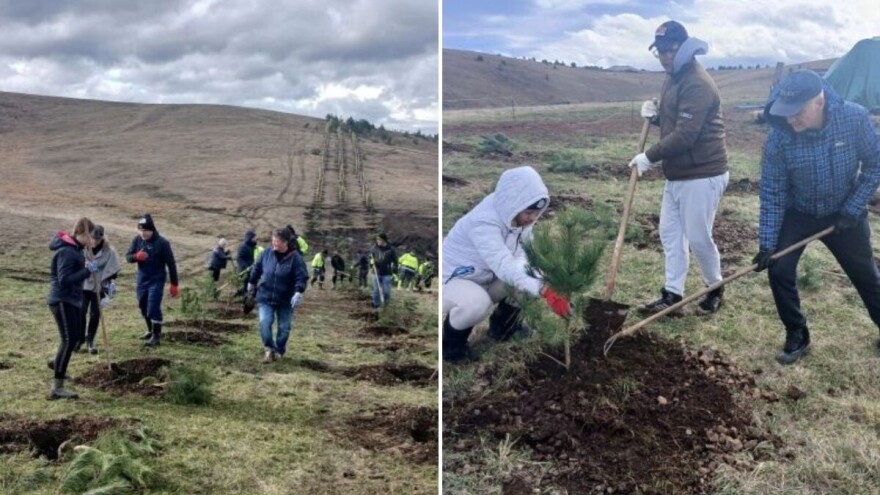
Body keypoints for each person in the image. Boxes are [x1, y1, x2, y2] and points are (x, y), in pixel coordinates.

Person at [755, 69, 880, 364]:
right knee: (779, 269)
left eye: (797, 114)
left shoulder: (854, 118)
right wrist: (767, 244)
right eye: (786, 114)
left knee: (866, 275)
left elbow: (875, 165)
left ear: (819, 102)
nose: (790, 121)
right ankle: (797, 332)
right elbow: (773, 192)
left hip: (844, 212)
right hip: (799, 212)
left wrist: (852, 209)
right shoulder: (779, 138)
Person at [629, 20, 730, 316]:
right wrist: (657, 117)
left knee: (698, 237)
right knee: (670, 233)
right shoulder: (673, 75)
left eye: (670, 51)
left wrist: (648, 157)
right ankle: (672, 295)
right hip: (679, 173)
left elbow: (687, 136)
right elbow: (677, 123)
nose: (664, 57)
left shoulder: (697, 82)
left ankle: (715, 288)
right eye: (659, 51)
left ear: (684, 48)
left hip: (703, 172)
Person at [441, 166, 572, 363]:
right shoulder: (483, 223)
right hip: (456, 281)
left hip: (489, 277)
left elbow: (525, 259)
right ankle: (452, 347)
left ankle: (503, 329)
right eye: (528, 213)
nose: (532, 218)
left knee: (527, 285)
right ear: (513, 204)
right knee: (477, 304)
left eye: (537, 213)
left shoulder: (519, 219)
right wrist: (545, 289)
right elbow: (504, 264)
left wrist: (550, 284)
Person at [46, 217, 100, 399]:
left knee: (77, 337)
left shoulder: (76, 250)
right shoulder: (67, 252)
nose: (91, 241)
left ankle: (57, 362)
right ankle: (57, 388)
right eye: (89, 236)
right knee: (68, 340)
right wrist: (87, 271)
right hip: (62, 299)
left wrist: (86, 268)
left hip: (72, 300)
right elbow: (64, 279)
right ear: (81, 234)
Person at [247, 228, 309, 363]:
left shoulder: (295, 258)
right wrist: (251, 282)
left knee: (284, 327)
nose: (274, 243)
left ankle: (280, 350)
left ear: (286, 242)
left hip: (286, 299)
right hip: (265, 296)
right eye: (273, 240)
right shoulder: (266, 253)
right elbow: (257, 268)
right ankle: (269, 349)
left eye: (278, 241)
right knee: (265, 322)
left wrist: (298, 291)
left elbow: (301, 276)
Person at [125, 214, 179, 347]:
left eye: (145, 231)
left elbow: (171, 264)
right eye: (141, 230)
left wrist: (174, 284)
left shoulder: (162, 243)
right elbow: (128, 257)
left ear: (152, 230)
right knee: (143, 307)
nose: (143, 233)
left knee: (153, 308)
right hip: (142, 280)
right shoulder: (137, 240)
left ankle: (156, 336)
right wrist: (136, 256)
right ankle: (150, 330)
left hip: (157, 280)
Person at [78, 225, 121, 355]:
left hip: (99, 287)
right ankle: (79, 339)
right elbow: (75, 263)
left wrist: (110, 292)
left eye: (97, 239)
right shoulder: (83, 248)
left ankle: (90, 340)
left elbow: (113, 273)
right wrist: (85, 265)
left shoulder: (109, 251)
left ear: (102, 237)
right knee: (81, 312)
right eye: (92, 238)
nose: (94, 241)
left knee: (95, 314)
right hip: (84, 285)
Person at [370, 233, 398, 309]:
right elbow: (371, 258)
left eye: (379, 239)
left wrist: (395, 273)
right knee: (376, 291)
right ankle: (376, 307)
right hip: (376, 272)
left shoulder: (390, 250)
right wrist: (371, 262)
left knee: (386, 292)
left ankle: (386, 306)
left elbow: (395, 262)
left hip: (387, 273)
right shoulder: (374, 248)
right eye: (377, 239)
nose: (377, 241)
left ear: (384, 240)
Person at [235, 228, 258, 296]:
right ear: (250, 237)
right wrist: (246, 267)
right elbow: (239, 258)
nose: (255, 239)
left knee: (251, 284)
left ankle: (247, 297)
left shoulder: (251, 246)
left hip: (250, 268)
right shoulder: (243, 246)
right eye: (254, 237)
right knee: (246, 285)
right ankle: (244, 298)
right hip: (244, 270)